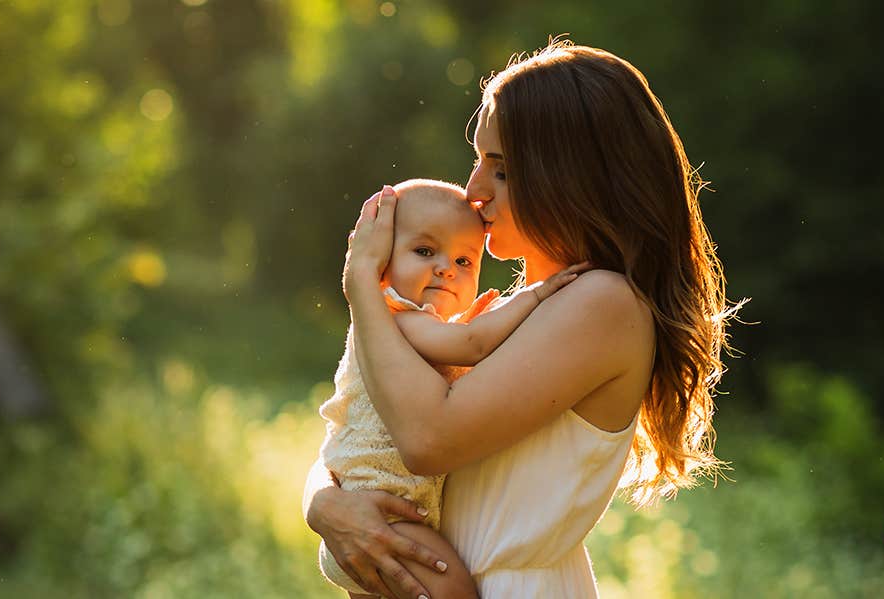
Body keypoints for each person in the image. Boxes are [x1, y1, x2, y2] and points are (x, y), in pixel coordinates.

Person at [305, 39, 739, 599]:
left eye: (503, 170)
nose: (474, 191)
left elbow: (427, 438)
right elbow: (365, 430)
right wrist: (325, 503)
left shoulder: (602, 305)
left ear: (572, 176)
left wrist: (362, 284)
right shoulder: (507, 309)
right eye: (479, 160)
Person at [315, 179, 583, 598]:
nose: (446, 269)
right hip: (382, 516)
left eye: (464, 261)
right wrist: (534, 296)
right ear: (381, 260)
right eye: (425, 252)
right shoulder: (397, 316)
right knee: (455, 589)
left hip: (373, 511)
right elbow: (473, 345)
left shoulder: (411, 326)